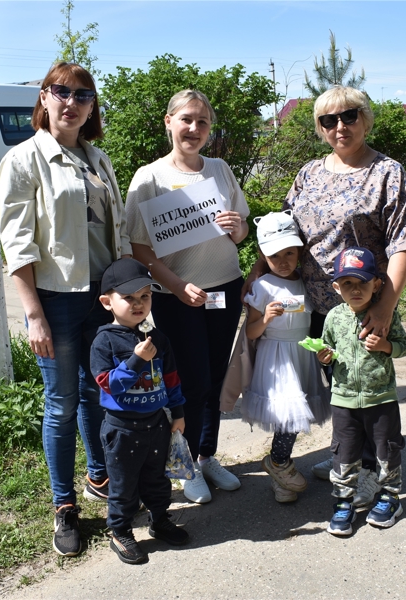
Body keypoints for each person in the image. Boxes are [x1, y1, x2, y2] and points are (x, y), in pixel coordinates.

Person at [245, 86, 406, 490]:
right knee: (325, 385)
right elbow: (282, 228)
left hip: (362, 304)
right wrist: (258, 270)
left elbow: (403, 245)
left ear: (365, 119)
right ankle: (338, 457)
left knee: (363, 385)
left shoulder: (387, 173)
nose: (340, 126)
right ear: (320, 127)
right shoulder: (309, 172)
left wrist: (385, 308)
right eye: (329, 120)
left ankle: (367, 468)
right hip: (311, 306)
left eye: (349, 116)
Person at [0, 62, 130, 556]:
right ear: (44, 98)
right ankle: (64, 506)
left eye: (82, 95)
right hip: (57, 299)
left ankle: (99, 475)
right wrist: (33, 314)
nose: (70, 102)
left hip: (101, 296)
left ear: (92, 106)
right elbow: (18, 244)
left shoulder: (99, 159)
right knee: (61, 404)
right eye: (61, 92)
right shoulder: (25, 160)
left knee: (97, 394)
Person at [125, 90, 249, 504]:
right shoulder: (150, 177)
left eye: (202, 122)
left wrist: (236, 228)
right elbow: (138, 249)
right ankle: (185, 466)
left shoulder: (219, 170)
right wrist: (177, 286)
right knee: (189, 383)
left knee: (214, 378)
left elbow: (242, 231)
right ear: (169, 122)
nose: (194, 129)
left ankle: (207, 454)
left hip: (224, 288)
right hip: (177, 296)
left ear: (210, 130)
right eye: (186, 120)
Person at [90, 258, 189, 564]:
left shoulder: (157, 337)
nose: (138, 304)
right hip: (122, 429)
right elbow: (108, 385)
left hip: (157, 423)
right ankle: (120, 531)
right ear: (107, 302)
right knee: (123, 485)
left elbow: (171, 378)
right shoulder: (104, 341)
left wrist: (178, 412)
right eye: (128, 298)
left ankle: (159, 520)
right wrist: (134, 361)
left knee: (157, 480)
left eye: (144, 296)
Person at [317, 247, 406, 536]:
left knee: (387, 450)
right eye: (347, 284)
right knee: (343, 453)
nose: (355, 290)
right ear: (336, 286)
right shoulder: (333, 317)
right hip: (343, 400)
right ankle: (343, 502)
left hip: (380, 397)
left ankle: (390, 497)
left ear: (377, 284)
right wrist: (324, 356)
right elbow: (327, 346)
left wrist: (385, 346)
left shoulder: (386, 315)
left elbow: (404, 346)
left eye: (362, 282)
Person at [241, 211, 331, 503]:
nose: (283, 262)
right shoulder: (262, 286)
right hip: (276, 356)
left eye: (289, 253)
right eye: (274, 256)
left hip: (302, 354)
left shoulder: (307, 282)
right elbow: (251, 333)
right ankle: (279, 462)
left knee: (293, 414)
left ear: (299, 252)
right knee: (288, 416)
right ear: (262, 255)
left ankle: (281, 480)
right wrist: (265, 318)